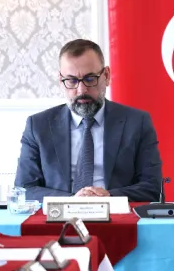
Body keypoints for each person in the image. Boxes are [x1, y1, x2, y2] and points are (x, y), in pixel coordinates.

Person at [14, 39, 163, 203]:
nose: (81, 90)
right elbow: (24, 189)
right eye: (71, 80)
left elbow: (152, 187)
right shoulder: (38, 126)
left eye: (90, 79)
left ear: (106, 76)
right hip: (59, 216)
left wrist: (109, 197)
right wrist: (73, 200)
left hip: (116, 215)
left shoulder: (137, 123)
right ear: (61, 81)